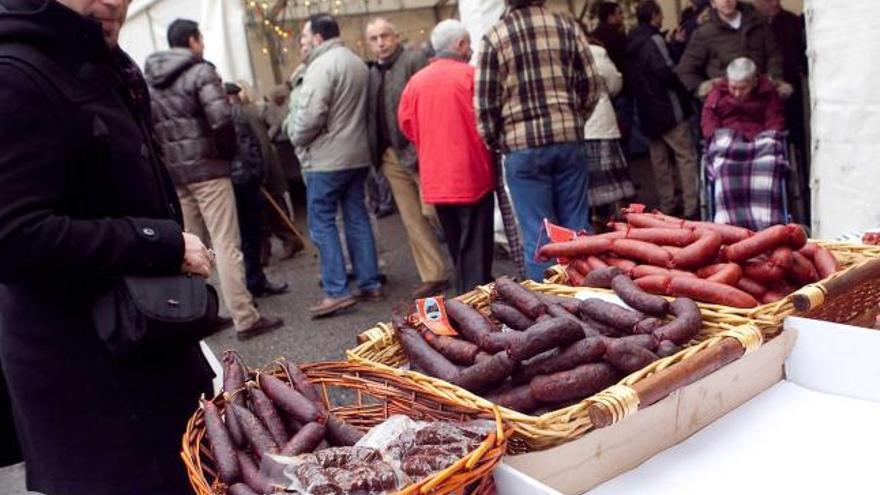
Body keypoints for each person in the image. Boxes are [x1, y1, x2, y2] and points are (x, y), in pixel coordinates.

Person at [0, 0, 218, 492]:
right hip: (90, 382)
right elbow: (13, 237)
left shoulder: (99, 57)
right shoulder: (15, 74)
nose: (112, 0)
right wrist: (161, 243)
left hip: (142, 346)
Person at [146, 19, 283, 338]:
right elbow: (222, 120)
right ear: (192, 40)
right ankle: (244, 316)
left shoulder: (150, 79)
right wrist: (226, 155)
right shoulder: (201, 70)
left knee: (192, 244)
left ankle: (200, 316)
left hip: (177, 173)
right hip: (208, 170)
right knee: (225, 242)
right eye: (200, 38)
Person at [475, 0, 600, 281]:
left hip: (522, 147)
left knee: (539, 233)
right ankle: (589, 295)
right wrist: (575, 117)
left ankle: (552, 306)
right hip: (567, 138)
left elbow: (484, 103)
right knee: (577, 227)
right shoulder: (567, 26)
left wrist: (497, 139)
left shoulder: (494, 37)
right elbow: (592, 84)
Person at [290, 13, 382, 317]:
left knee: (322, 222)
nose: (303, 43)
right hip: (358, 154)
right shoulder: (357, 62)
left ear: (317, 38)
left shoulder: (320, 66)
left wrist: (294, 134)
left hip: (327, 159)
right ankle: (370, 282)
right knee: (357, 216)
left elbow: (310, 117)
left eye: (304, 37)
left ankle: (336, 290)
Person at [398, 20, 495, 295]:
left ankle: (468, 297)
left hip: (436, 178)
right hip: (472, 174)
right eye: (469, 44)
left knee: (457, 246)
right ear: (461, 45)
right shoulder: (471, 76)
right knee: (476, 247)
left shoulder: (415, 82)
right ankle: (474, 305)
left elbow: (405, 124)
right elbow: (489, 119)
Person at [365, 17, 450, 299]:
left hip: (419, 150)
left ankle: (464, 258)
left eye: (385, 36)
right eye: (375, 38)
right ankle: (433, 275)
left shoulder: (413, 61)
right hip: (390, 155)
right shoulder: (373, 72)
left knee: (433, 210)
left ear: (396, 36)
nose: (380, 42)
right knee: (412, 219)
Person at [627, 0, 700, 218]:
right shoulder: (654, 39)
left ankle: (667, 206)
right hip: (668, 108)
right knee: (685, 156)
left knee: (659, 162)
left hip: (647, 111)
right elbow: (668, 72)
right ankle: (691, 206)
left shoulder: (631, 41)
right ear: (654, 15)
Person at [225, 82, 290, 296]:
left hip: (241, 179)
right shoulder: (236, 114)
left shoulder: (241, 113)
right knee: (248, 234)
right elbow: (249, 148)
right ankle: (253, 281)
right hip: (243, 181)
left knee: (250, 233)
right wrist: (255, 174)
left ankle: (255, 280)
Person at [676, 0, 783, 99]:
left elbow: (774, 54)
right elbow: (686, 70)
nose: (726, 0)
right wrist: (709, 93)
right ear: (713, 3)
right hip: (726, 106)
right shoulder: (704, 33)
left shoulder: (758, 24)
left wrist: (773, 80)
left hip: (761, 99)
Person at [583, 38, 635, 222]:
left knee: (584, 182)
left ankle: (590, 221)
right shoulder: (597, 54)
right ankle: (609, 221)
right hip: (601, 122)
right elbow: (615, 85)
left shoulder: (561, 55)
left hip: (577, 126)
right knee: (608, 182)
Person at [259, 84, 305, 262]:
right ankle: (267, 248)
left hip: (265, 165)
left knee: (272, 210)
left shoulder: (251, 113)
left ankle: (290, 240)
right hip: (263, 163)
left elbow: (273, 128)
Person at [701, 57, 785, 140]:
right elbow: (709, 119)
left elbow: (774, 119)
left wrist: (769, 137)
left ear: (754, 83)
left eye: (743, 88)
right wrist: (715, 137)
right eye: (733, 88)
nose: (737, 93)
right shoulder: (717, 93)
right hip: (725, 139)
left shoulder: (767, 93)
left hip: (760, 139)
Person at [590, 1, 627, 76]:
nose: (623, 16)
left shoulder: (592, 36)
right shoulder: (618, 36)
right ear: (610, 17)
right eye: (619, 13)